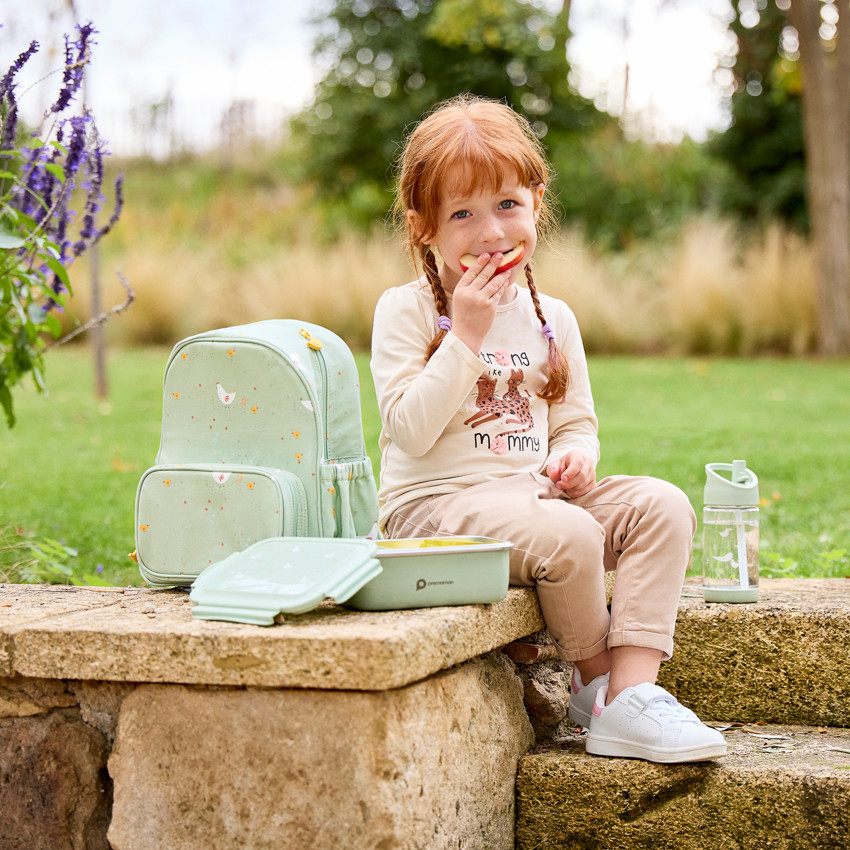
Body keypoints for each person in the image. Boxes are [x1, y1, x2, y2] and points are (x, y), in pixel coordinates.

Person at [370, 93, 726, 764]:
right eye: (463, 214)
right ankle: (596, 685)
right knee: (571, 533)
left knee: (663, 506)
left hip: (535, 497)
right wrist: (465, 334)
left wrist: (576, 454)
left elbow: (576, 420)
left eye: (507, 204)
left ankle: (632, 693)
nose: (491, 232)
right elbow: (409, 432)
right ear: (424, 227)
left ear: (536, 202)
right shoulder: (405, 310)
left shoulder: (551, 318)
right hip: (434, 509)